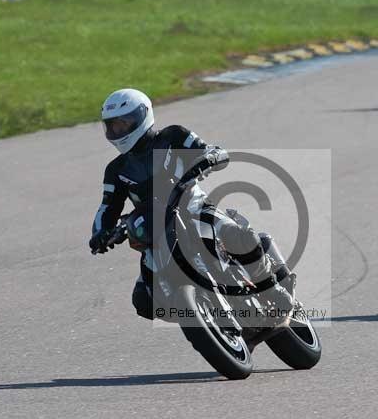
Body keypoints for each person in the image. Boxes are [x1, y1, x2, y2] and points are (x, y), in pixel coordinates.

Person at [88, 88, 294, 320]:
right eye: (113, 126)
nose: (118, 131)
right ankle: (201, 316)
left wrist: (209, 158)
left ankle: (272, 287)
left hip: (193, 208)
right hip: (155, 231)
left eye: (123, 124)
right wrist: (100, 233)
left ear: (142, 116)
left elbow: (208, 150)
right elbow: (107, 207)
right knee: (144, 300)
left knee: (240, 237)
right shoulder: (116, 170)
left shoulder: (172, 136)